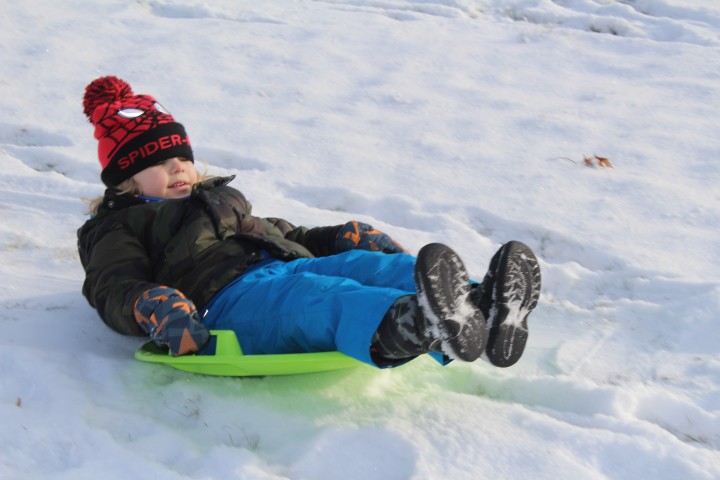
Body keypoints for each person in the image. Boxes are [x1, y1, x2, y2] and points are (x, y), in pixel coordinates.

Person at [77, 76, 541, 370]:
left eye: (182, 157)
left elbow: (286, 235)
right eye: (159, 162)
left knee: (365, 266)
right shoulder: (120, 227)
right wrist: (150, 305)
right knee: (324, 298)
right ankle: (417, 323)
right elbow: (111, 285)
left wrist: (337, 238)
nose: (178, 167)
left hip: (287, 266)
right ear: (126, 181)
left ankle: (482, 304)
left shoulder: (219, 201)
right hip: (228, 303)